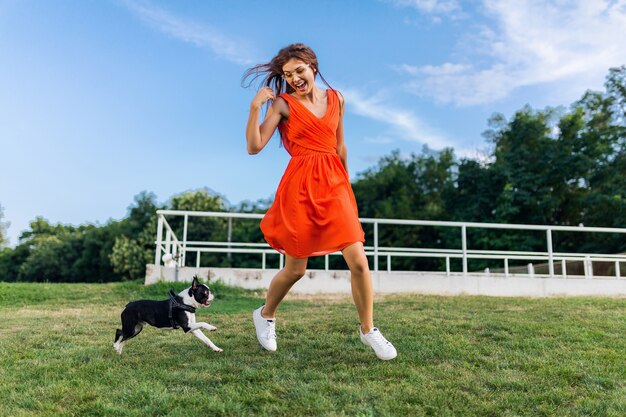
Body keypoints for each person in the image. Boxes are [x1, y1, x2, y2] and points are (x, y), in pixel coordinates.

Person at [243, 43, 396, 360]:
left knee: (358, 260)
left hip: (335, 184)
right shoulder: (283, 104)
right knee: (296, 269)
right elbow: (254, 147)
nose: (295, 78)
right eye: (288, 75)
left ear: (312, 66)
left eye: (299, 70)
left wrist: (347, 186)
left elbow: (340, 146)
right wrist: (255, 108)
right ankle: (266, 314)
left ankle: (368, 330)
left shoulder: (337, 99)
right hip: (300, 187)